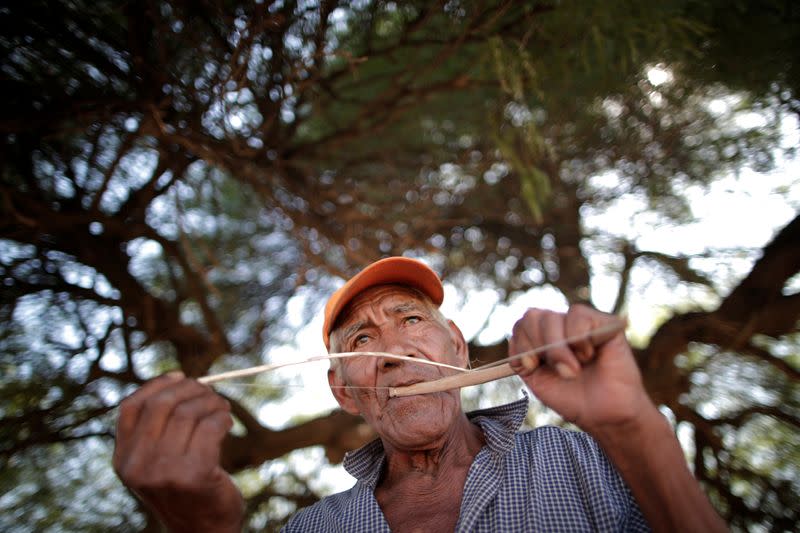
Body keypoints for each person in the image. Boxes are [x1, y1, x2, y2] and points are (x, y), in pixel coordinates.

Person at [114, 257, 727, 532]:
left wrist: (632, 426)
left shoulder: (585, 461)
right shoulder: (315, 530)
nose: (391, 349)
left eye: (410, 320)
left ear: (458, 348)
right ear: (346, 392)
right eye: (361, 338)